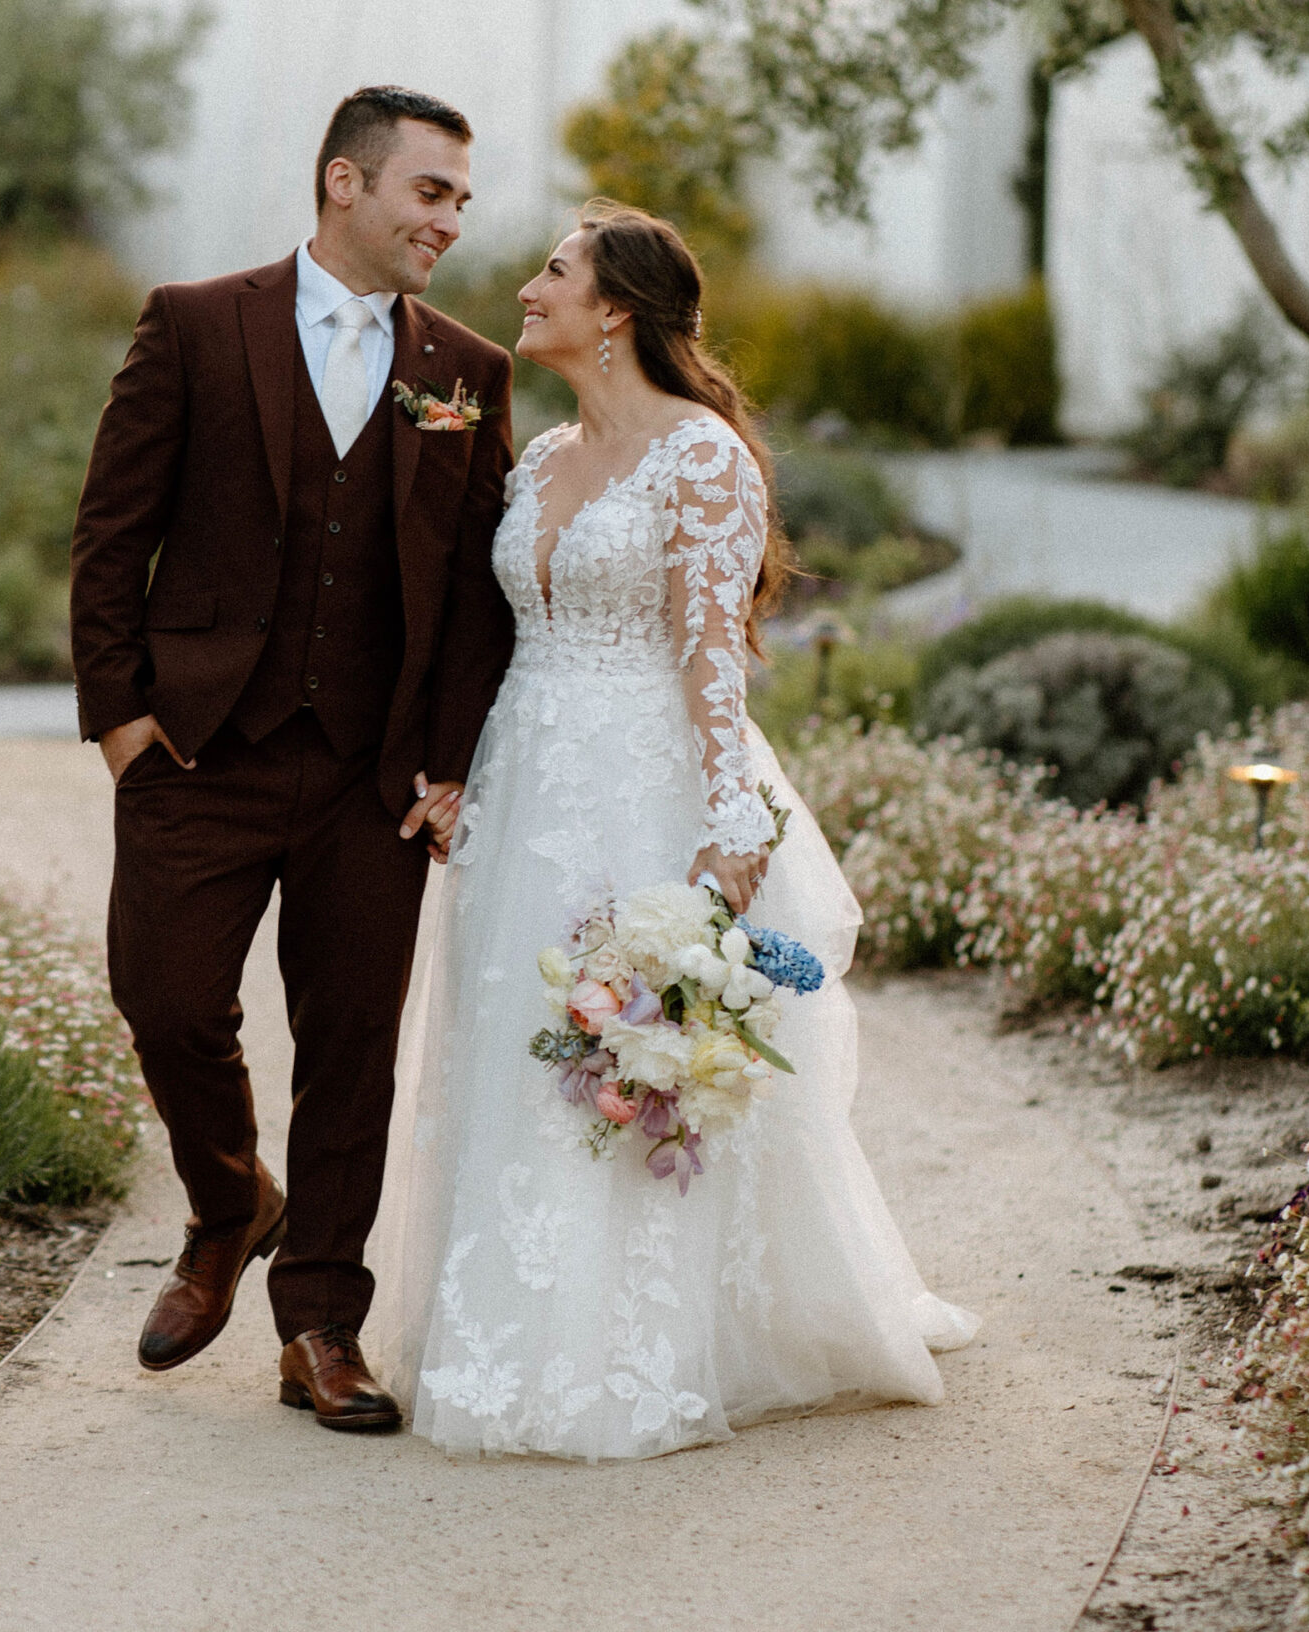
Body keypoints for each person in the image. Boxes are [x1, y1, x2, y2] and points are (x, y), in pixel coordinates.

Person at [367, 199, 977, 1458]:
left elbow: (712, 653)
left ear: (615, 311)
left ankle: (628, 1346)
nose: (526, 289)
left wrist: (729, 821)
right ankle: (509, 1324)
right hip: (524, 781)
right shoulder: (535, 460)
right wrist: (458, 776)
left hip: (638, 783)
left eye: (553, 272)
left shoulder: (703, 459)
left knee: (629, 1044)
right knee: (516, 1044)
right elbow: (498, 639)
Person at [70, 86, 514, 1433]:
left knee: (352, 1049)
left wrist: (444, 761)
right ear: (344, 183)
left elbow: (475, 594)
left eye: (457, 201)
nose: (448, 219)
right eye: (428, 192)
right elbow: (109, 533)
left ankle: (319, 1322)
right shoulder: (196, 324)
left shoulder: (465, 371)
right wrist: (120, 723)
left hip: (370, 778)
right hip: (198, 747)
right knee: (166, 999)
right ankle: (226, 1201)